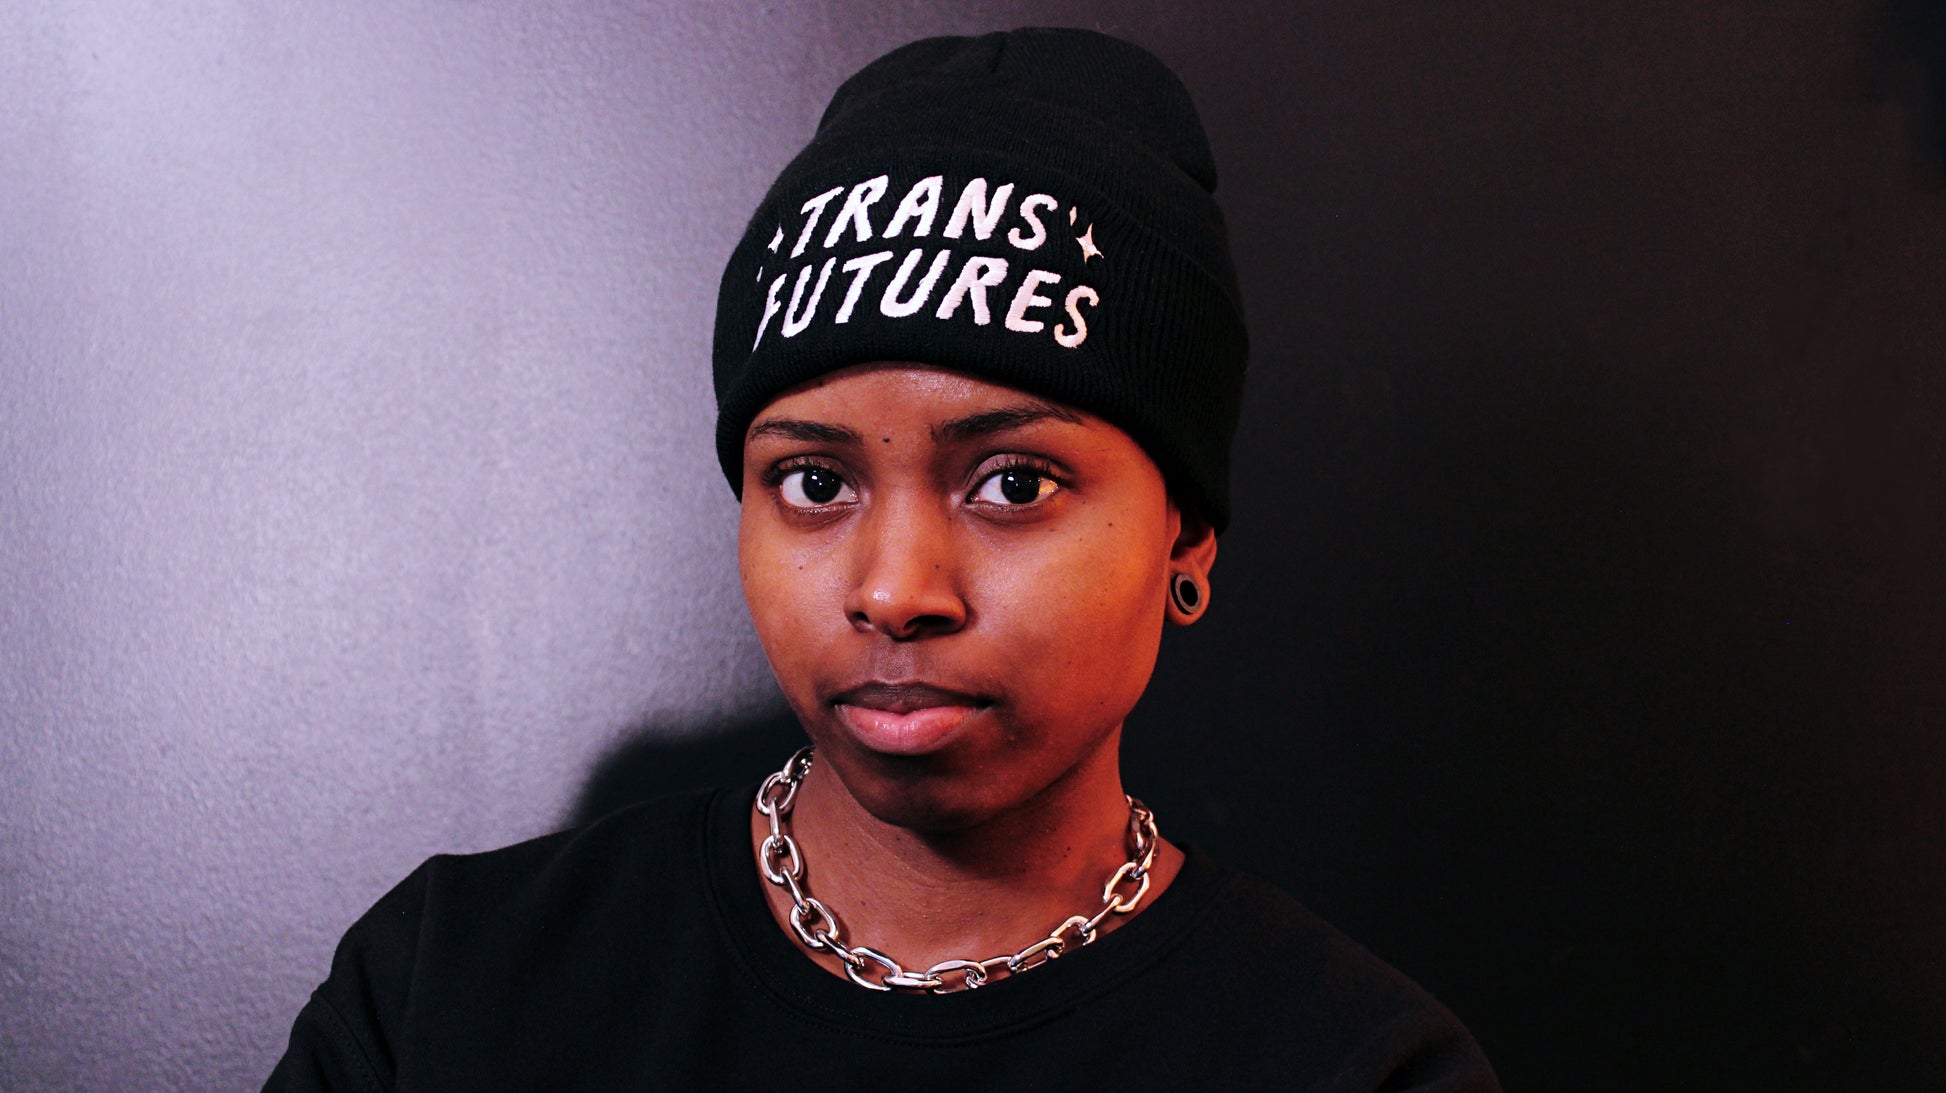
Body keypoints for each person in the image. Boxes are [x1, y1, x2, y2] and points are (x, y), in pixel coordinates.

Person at [266, 28, 1500, 1091]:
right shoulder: (447, 987)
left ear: (1183, 534)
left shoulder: (1352, 1064)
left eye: (1013, 482)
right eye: (814, 483)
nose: (894, 591)